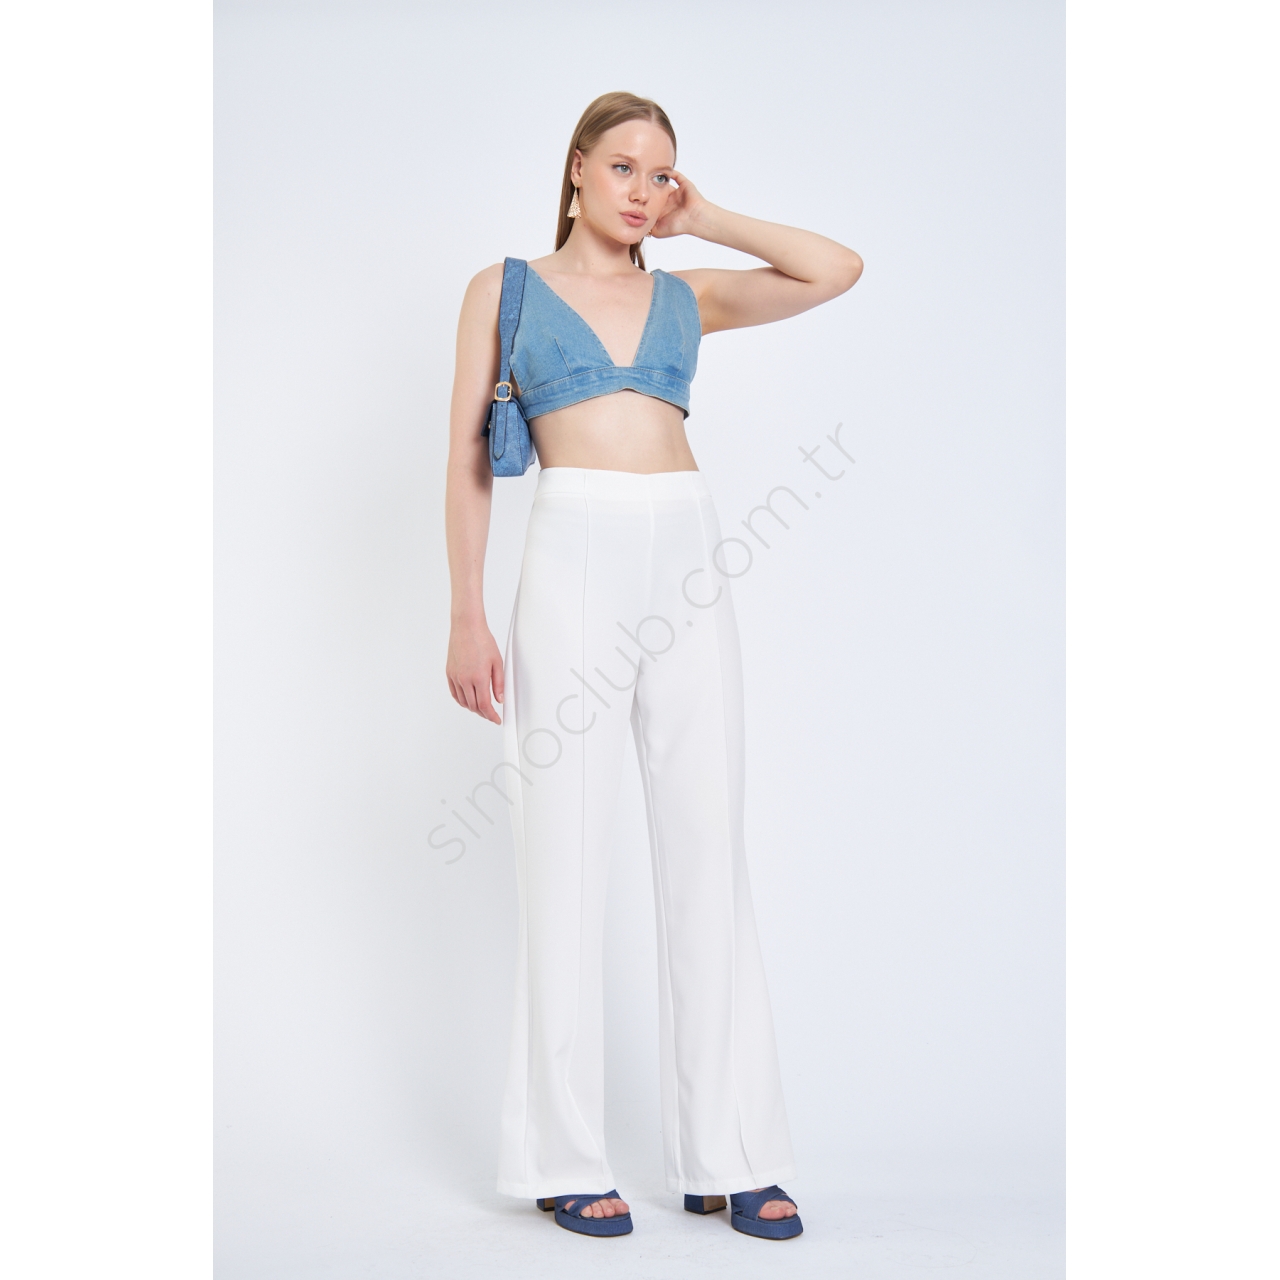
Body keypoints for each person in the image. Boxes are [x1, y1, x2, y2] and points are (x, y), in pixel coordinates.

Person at [444, 91, 862, 1240]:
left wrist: (706, 217)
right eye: (623, 165)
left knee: (704, 842)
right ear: (576, 167)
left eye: (661, 172)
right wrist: (466, 613)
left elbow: (835, 269)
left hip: (685, 547)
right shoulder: (504, 289)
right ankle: (562, 1151)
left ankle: (732, 1150)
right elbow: (466, 455)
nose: (642, 188)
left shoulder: (686, 294)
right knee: (564, 849)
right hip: (570, 549)